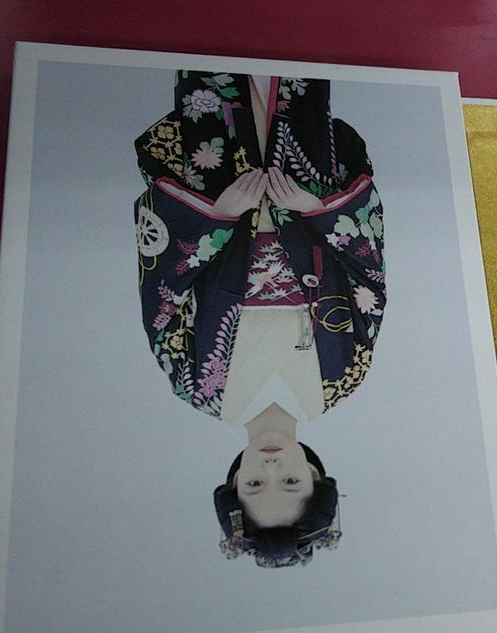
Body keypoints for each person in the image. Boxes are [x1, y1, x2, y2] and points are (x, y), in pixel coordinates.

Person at [132, 71, 386, 567]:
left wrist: (217, 214)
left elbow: (162, 299)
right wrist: (316, 209)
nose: (270, 466)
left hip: (217, 188)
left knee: (212, 83)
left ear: (234, 479)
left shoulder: (196, 387)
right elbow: (369, 282)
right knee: (298, 74)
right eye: (289, 481)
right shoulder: (342, 378)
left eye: (253, 483)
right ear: (314, 475)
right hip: (303, 189)